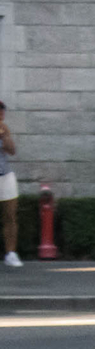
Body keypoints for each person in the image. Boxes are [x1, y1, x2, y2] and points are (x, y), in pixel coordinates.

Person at [0, 102, 20, 267]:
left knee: (10, 216)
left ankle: (10, 253)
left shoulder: (4, 129)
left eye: (2, 111)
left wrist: (5, 136)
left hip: (5, 175)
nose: (1, 114)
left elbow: (12, 151)